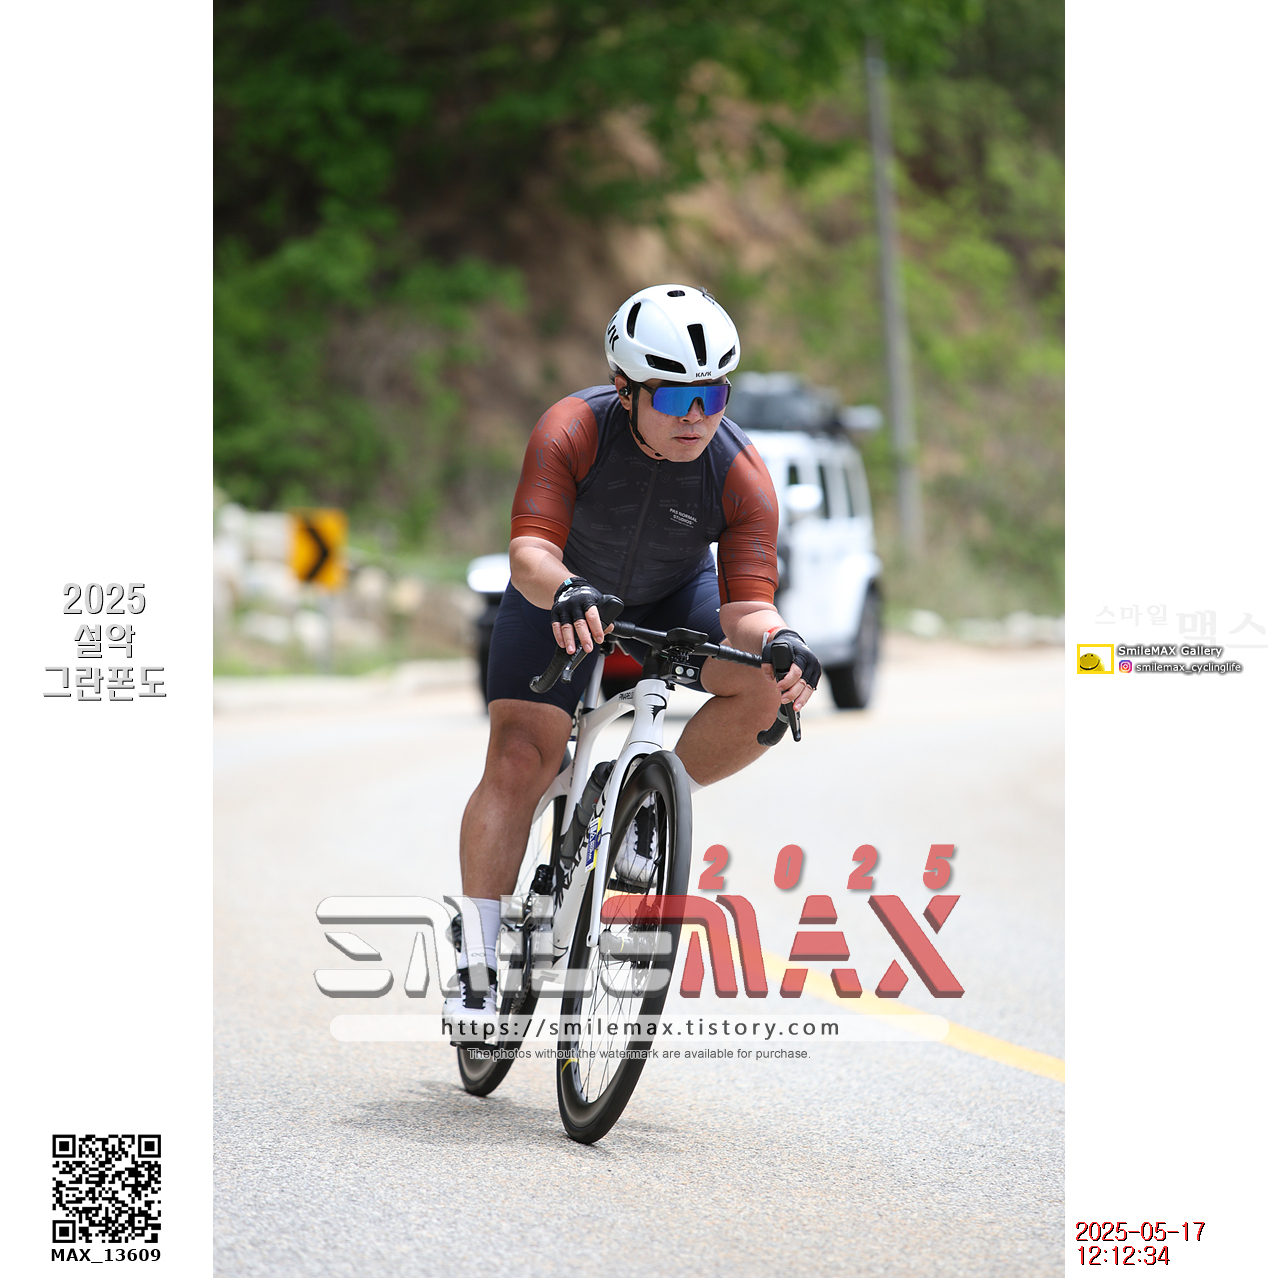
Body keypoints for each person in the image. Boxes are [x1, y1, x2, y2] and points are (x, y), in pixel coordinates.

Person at [444, 284, 822, 1024]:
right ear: (625, 389)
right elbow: (529, 553)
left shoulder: (740, 471)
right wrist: (564, 589)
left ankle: (650, 801)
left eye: (714, 395)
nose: (698, 417)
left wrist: (781, 640)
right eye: (676, 398)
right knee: (521, 758)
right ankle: (478, 958)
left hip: (673, 596)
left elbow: (746, 609)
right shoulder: (572, 429)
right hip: (561, 593)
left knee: (764, 688)